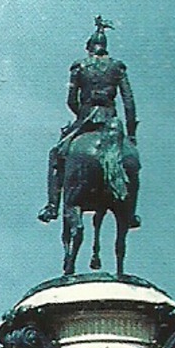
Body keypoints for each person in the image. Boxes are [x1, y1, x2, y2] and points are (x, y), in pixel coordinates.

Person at [39, 17, 139, 226]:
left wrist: (81, 116)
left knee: (56, 154)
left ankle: (52, 206)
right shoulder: (117, 67)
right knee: (133, 163)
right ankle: (130, 214)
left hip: (86, 119)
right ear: (105, 47)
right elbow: (128, 101)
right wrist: (131, 134)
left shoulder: (80, 66)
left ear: (89, 48)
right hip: (111, 122)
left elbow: (70, 100)